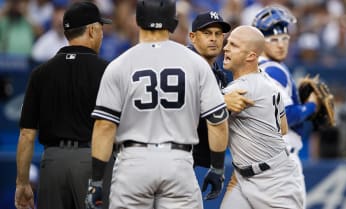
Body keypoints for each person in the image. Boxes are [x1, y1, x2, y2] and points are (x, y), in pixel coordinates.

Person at [84, 0, 229, 209]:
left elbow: (104, 126)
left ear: (138, 21)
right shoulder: (195, 62)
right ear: (173, 23)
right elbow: (217, 120)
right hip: (178, 162)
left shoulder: (120, 64)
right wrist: (217, 168)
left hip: (133, 163)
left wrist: (96, 180)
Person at [14, 2, 112, 209]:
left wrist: (22, 183)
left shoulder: (41, 73)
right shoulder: (107, 71)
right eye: (101, 29)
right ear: (92, 31)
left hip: (52, 163)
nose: (102, 35)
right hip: (91, 161)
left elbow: (26, 134)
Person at [220, 25, 304, 209]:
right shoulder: (267, 80)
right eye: (227, 43)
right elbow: (282, 127)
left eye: (233, 45)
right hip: (245, 177)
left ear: (251, 56)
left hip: (275, 183)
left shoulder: (242, 88)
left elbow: (196, 113)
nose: (225, 48)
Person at [252, 5, 320, 208]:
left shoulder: (256, 68)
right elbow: (286, 116)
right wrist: (310, 107)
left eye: (284, 39)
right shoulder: (274, 70)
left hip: (262, 161)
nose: (281, 45)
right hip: (280, 165)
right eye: (273, 40)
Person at [189, 11, 253, 169]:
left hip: (202, 160)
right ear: (192, 37)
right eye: (207, 33)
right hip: (181, 158)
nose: (213, 38)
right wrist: (220, 102)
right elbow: (176, 109)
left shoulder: (217, 70)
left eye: (218, 34)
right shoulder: (184, 65)